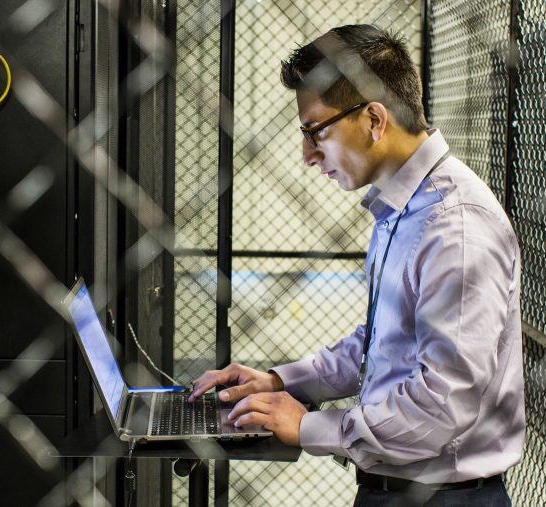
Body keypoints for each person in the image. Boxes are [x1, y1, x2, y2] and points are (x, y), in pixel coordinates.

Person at [188, 24, 525, 506]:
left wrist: (309, 426)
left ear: (373, 119)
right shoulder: (404, 209)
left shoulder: (456, 228)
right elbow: (381, 345)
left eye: (315, 132)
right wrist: (281, 381)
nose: (307, 155)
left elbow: (443, 405)